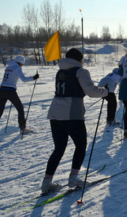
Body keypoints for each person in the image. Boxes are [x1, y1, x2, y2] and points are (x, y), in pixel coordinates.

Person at [41, 48, 108, 194]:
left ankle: (47, 182)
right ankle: (73, 178)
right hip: (72, 114)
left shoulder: (60, 71)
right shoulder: (81, 71)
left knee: (59, 148)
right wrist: (105, 92)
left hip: (55, 112)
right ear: (79, 59)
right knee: (80, 145)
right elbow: (90, 91)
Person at [0, 55, 38, 138]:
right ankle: (22, 128)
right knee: (20, 108)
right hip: (10, 91)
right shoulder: (17, 68)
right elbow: (23, 79)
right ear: (21, 63)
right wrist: (34, 78)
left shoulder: (9, 67)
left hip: (2, 90)